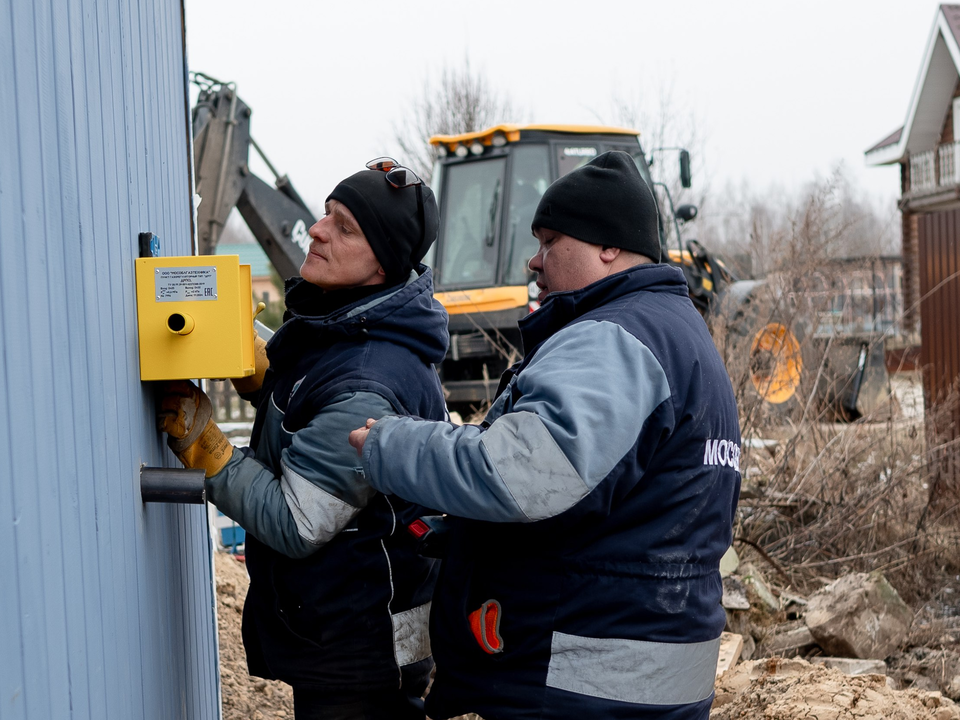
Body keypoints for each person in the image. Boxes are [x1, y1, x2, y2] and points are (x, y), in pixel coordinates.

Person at [349, 151, 742, 720]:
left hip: (580, 686)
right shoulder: (679, 335)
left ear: (606, 246)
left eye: (549, 240)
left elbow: (520, 474)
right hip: (647, 681)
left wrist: (391, 444)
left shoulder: (615, 338)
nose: (534, 262)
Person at [158, 158, 448, 720]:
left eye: (345, 228)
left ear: (383, 263)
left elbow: (296, 522)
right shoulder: (346, 329)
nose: (317, 231)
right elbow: (312, 410)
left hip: (364, 646)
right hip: (347, 628)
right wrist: (263, 374)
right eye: (326, 215)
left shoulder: (368, 383)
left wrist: (207, 449)